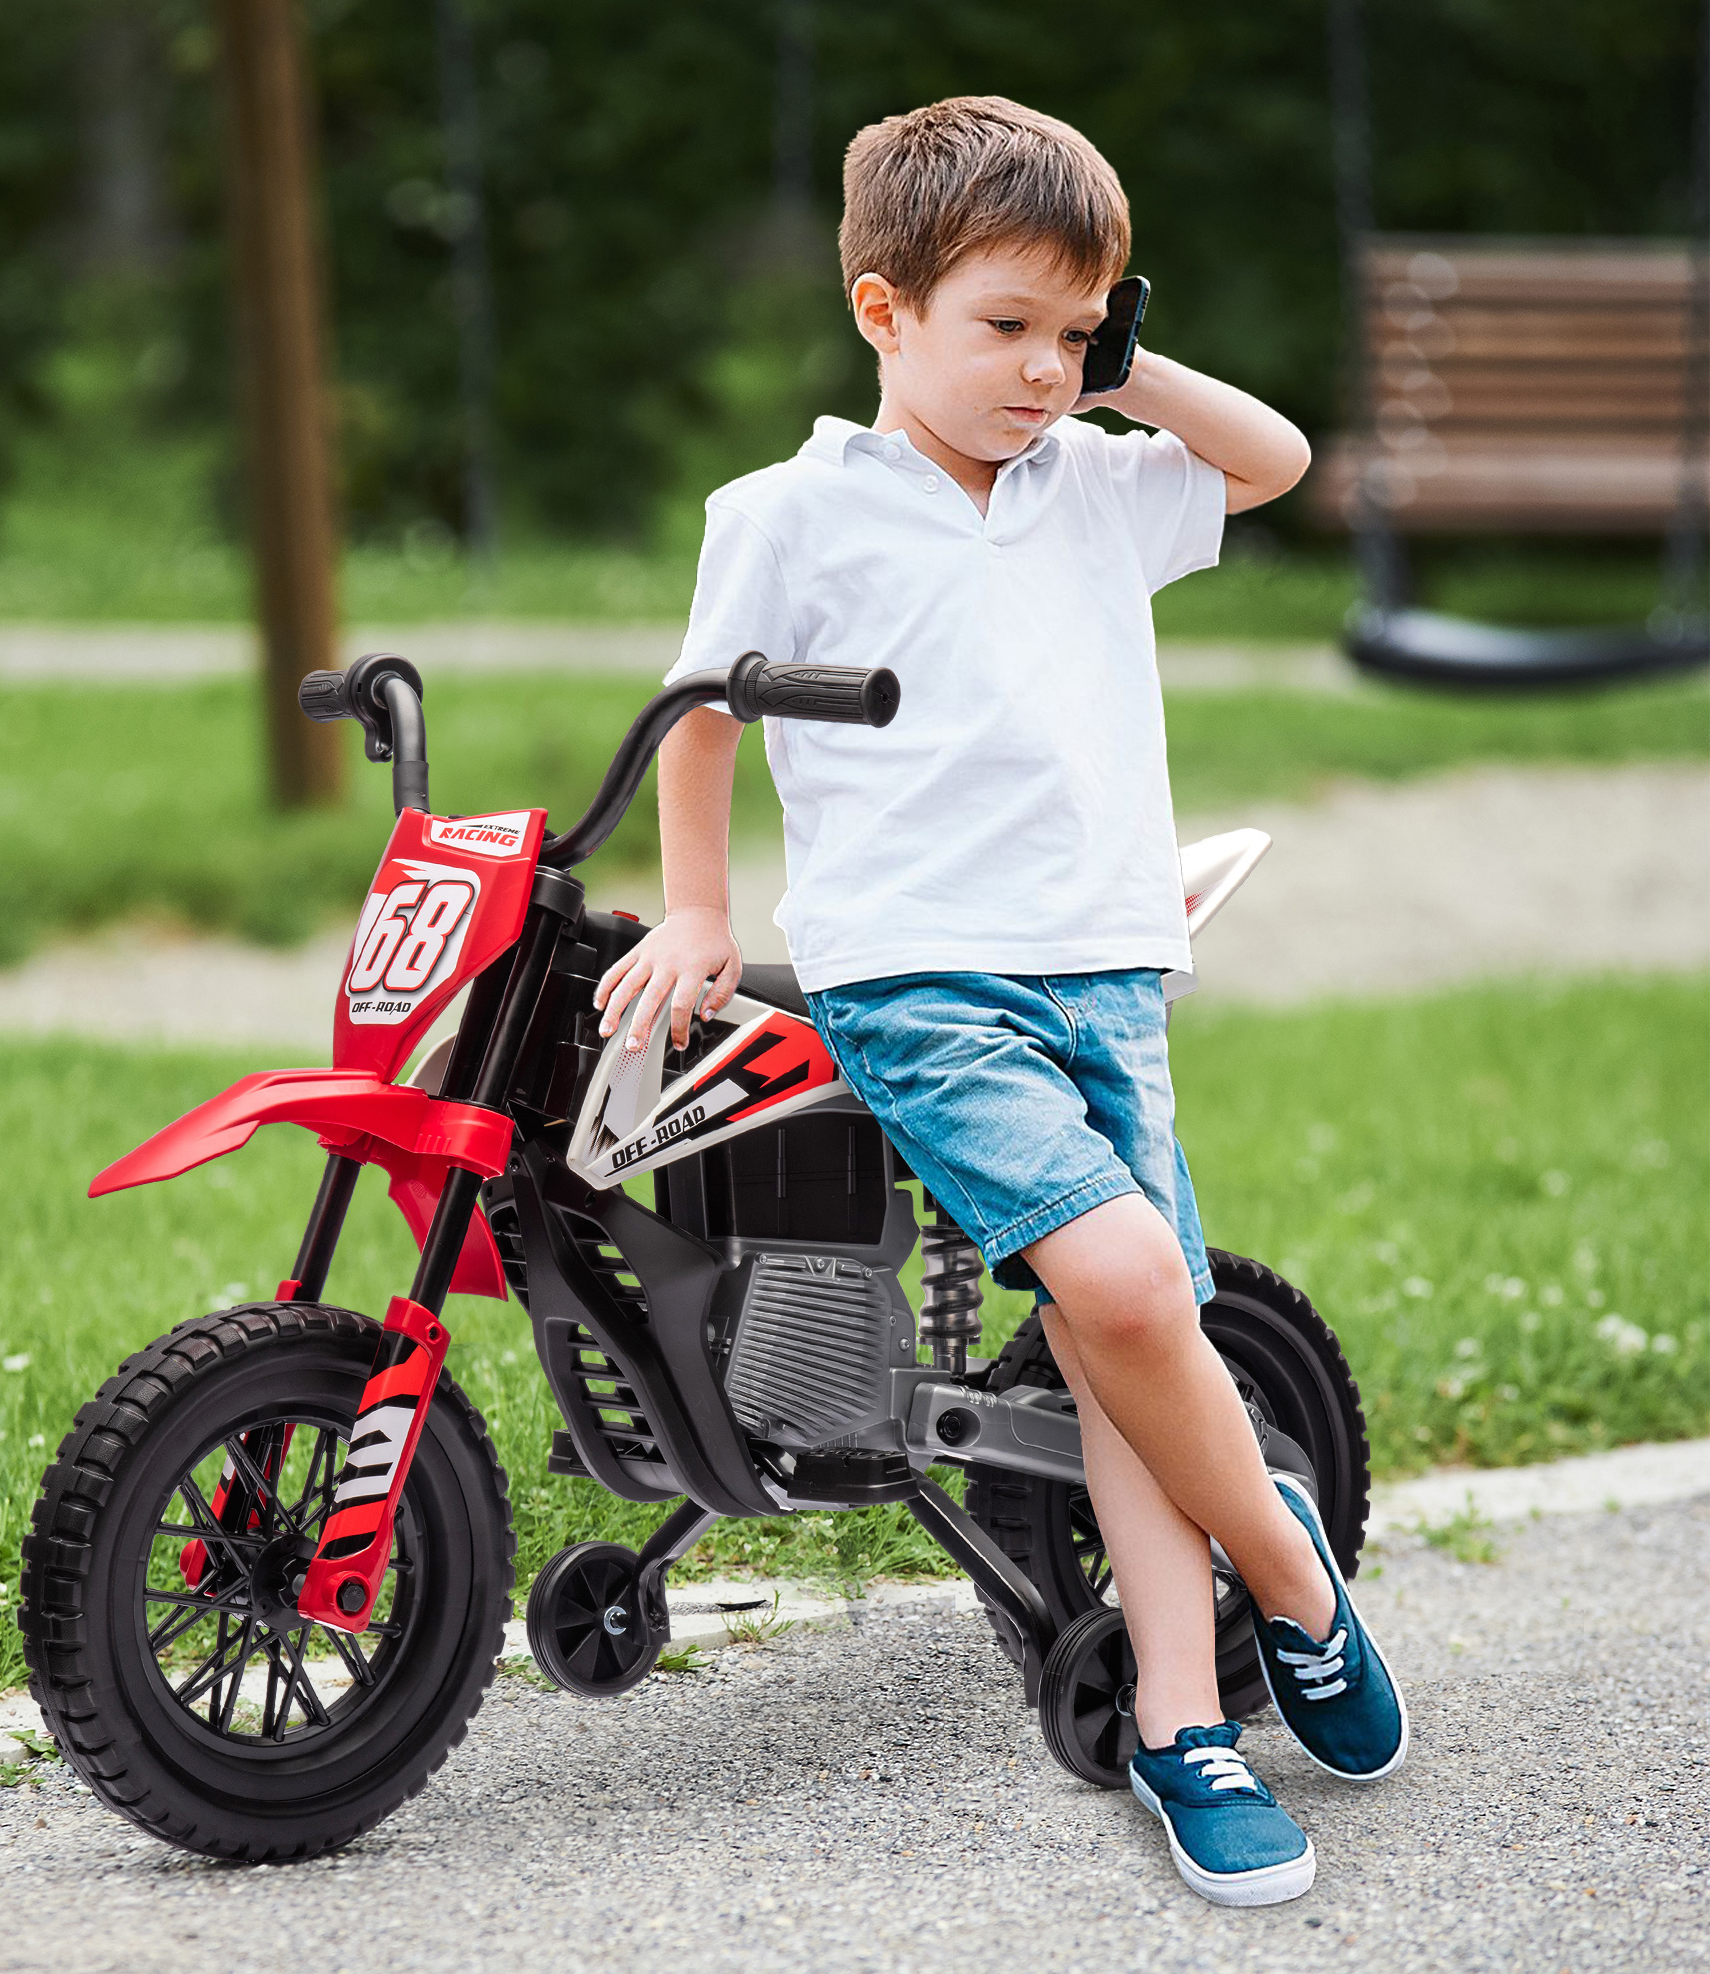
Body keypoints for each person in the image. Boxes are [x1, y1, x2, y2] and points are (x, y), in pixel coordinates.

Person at [592, 94, 1406, 1907]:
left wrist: (1130, 371)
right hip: (920, 976)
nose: (1046, 372)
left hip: (1109, 960)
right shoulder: (789, 510)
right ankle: (1292, 1582)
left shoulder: (1099, 486)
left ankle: (1187, 1727)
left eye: (1077, 332)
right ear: (885, 312)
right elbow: (705, 711)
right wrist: (708, 907)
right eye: (1007, 329)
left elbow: (1272, 458)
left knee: (1132, 1358)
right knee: (1123, 1286)